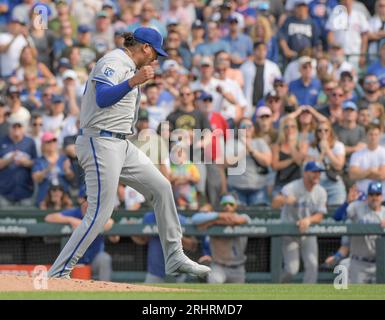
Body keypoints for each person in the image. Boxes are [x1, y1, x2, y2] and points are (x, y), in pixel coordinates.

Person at [47, 28, 211, 279]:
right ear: (145, 47)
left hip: (121, 144)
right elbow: (102, 98)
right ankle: (59, 273)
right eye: (155, 52)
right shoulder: (114, 61)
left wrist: (133, 80)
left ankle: (175, 256)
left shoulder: (128, 66)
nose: (156, 59)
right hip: (100, 140)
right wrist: (133, 81)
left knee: (162, 187)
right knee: (100, 214)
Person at [272, 161, 327, 283]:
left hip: (307, 230)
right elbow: (274, 203)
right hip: (289, 232)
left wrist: (308, 219)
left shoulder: (321, 191)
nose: (317, 175)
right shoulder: (292, 187)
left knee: (312, 265)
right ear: (305, 173)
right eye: (314, 172)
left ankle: (308, 295)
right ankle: (278, 287)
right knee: (292, 269)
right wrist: (285, 199)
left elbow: (320, 216)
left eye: (319, 172)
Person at [45, 199, 116, 281]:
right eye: (85, 201)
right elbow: (49, 217)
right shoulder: (75, 213)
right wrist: (70, 220)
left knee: (104, 258)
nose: (87, 204)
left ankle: (105, 288)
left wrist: (87, 226)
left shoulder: (99, 214)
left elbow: (111, 225)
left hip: (94, 258)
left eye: (90, 201)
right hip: (73, 261)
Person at [192, 193, 251, 283]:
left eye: (230, 204)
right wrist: (219, 216)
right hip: (219, 267)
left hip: (238, 268)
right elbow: (195, 219)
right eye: (224, 204)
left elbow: (238, 220)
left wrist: (215, 222)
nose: (227, 206)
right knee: (215, 282)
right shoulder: (213, 217)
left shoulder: (243, 216)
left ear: (235, 206)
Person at [131, 211, 198, 283]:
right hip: (155, 272)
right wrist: (132, 232)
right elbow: (143, 240)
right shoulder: (149, 217)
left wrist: (174, 234)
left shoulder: (180, 219)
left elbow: (192, 246)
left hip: (178, 273)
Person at [226, 117, 272, 206]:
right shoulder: (232, 143)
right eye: (244, 126)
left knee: (259, 217)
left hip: (258, 188)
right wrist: (243, 148)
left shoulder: (260, 142)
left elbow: (267, 161)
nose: (247, 128)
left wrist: (251, 150)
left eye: (249, 126)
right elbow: (226, 162)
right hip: (236, 189)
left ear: (253, 128)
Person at [347, 181, 385, 283]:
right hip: (359, 263)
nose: (374, 197)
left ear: (381, 197)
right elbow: (338, 217)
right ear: (367, 196)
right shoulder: (357, 207)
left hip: (380, 264)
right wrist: (348, 202)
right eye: (371, 194)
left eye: (377, 194)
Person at [307, 121, 346, 205]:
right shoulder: (311, 147)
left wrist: (328, 150)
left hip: (334, 182)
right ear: (316, 132)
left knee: (336, 208)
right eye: (319, 130)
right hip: (317, 182)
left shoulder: (338, 145)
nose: (323, 133)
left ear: (330, 131)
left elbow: (339, 166)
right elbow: (311, 167)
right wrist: (322, 153)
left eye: (326, 130)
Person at [0, 116, 37, 207]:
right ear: (9, 128)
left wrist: (26, 162)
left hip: (25, 191)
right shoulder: (1, 141)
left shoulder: (30, 142)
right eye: (14, 127)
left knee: (28, 220)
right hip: (5, 192)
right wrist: (10, 159)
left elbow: (36, 163)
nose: (16, 129)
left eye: (19, 127)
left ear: (23, 128)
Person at [32, 131, 74, 207]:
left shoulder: (64, 159)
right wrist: (47, 169)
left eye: (54, 141)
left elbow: (71, 177)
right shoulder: (39, 161)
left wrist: (67, 170)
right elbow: (36, 178)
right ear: (43, 145)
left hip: (63, 200)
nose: (52, 143)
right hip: (45, 200)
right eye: (48, 142)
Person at [271, 116, 308, 196]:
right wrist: (291, 160)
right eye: (287, 126)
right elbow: (275, 165)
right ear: (282, 129)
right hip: (280, 184)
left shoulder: (302, 144)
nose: (290, 129)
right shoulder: (277, 146)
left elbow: (299, 161)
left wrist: (291, 145)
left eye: (293, 126)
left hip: (297, 184)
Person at [241, 41, 281, 111]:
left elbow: (279, 85)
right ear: (254, 51)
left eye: (264, 49)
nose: (261, 52)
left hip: (268, 104)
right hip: (249, 104)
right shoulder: (245, 67)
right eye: (259, 49)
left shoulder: (273, 67)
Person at [349, 123, 385, 197]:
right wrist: (370, 170)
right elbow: (352, 175)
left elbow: (382, 175)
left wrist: (361, 174)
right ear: (366, 135)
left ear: (380, 136)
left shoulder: (383, 152)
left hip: (381, 196)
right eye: (371, 134)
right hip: (361, 195)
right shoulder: (357, 154)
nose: (373, 137)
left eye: (376, 134)